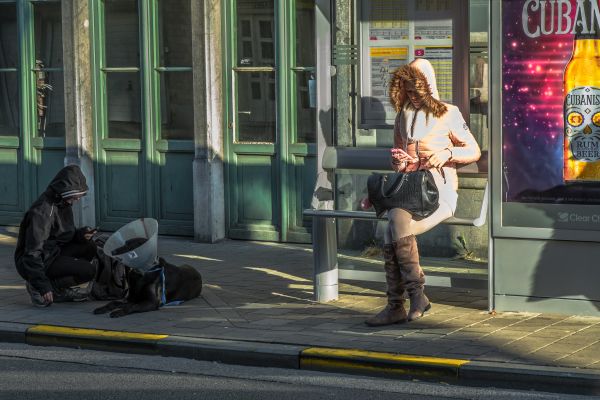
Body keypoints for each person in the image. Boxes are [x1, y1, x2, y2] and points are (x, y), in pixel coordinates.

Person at [364, 58, 481, 326]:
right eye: (407, 91)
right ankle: (412, 299)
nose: (413, 97)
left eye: (417, 91)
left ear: (428, 87)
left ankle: (400, 303)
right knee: (393, 225)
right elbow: (398, 158)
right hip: (409, 191)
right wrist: (399, 161)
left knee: (392, 227)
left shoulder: (447, 113)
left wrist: (448, 152)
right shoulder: (401, 116)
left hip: (439, 191)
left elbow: (473, 150)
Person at [14, 165, 98, 307]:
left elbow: (63, 235)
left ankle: (57, 286)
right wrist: (42, 285)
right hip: (39, 260)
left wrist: (82, 234)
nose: (78, 199)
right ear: (65, 191)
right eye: (76, 195)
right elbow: (32, 253)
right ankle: (44, 287)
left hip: (53, 251)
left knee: (89, 247)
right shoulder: (42, 212)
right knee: (88, 271)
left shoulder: (63, 203)